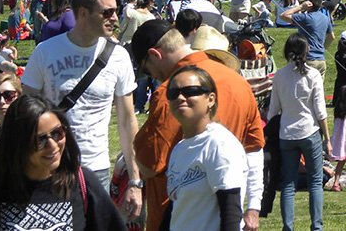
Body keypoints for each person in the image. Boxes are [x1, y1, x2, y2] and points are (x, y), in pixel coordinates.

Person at [21, 0, 142, 217]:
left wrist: (135, 181)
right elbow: (26, 117)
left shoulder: (118, 57)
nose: (115, 18)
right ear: (83, 13)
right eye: (107, 12)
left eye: (116, 11)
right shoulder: (45, 52)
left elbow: (127, 122)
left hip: (95, 170)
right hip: (50, 167)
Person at [129, 20, 265, 231]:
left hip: (182, 217)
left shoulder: (170, 93)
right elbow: (254, 149)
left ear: (155, 55)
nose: (153, 76)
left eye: (148, 71)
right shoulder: (238, 82)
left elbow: (150, 163)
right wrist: (254, 206)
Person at [0, 94, 126, 230]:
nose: (53, 145)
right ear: (17, 143)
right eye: (40, 139)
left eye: (57, 133)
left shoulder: (83, 183)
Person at [164, 65, 248, 231]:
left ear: (211, 99)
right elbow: (176, 209)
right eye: (173, 93)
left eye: (190, 91)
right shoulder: (179, 149)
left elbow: (231, 211)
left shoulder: (219, 143)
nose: (180, 97)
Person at [268, 33, 330, 231]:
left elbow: (273, 110)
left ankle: (288, 227)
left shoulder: (279, 75)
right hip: (310, 131)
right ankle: (317, 226)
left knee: (288, 184)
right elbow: (320, 111)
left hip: (287, 133)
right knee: (315, 182)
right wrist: (328, 138)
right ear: (306, 51)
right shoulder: (313, 75)